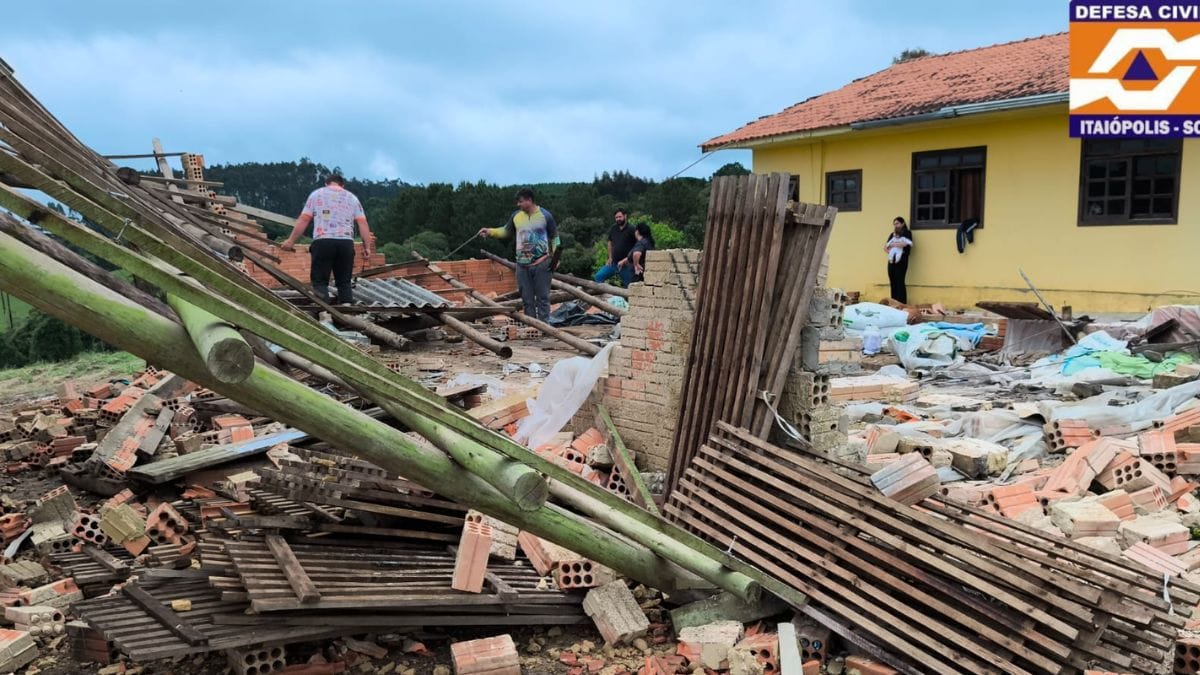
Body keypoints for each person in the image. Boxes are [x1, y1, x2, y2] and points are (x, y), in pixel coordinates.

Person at [280, 174, 373, 305]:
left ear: (326, 184)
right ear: (342, 185)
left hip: (323, 241)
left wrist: (290, 241)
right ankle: (347, 310)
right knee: (344, 281)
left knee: (320, 281)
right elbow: (362, 223)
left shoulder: (316, 195)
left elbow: (304, 219)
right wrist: (367, 247)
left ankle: (323, 310)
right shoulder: (352, 198)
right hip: (345, 243)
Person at [479, 188, 560, 321]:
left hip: (542, 263)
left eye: (520, 201)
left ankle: (545, 328)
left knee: (543, 298)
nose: (518, 204)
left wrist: (556, 259)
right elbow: (505, 231)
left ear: (529, 200)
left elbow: (555, 237)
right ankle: (531, 327)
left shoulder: (545, 215)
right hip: (522, 265)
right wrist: (490, 231)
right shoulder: (516, 216)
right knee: (527, 300)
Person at [593, 208, 637, 286]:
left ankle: (625, 298)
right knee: (598, 277)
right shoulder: (613, 228)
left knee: (629, 286)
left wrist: (627, 259)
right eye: (616, 217)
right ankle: (603, 297)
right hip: (614, 263)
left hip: (626, 265)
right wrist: (610, 257)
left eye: (620, 217)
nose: (618, 219)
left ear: (625, 216)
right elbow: (609, 242)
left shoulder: (632, 229)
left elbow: (637, 246)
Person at [884, 216, 913, 304]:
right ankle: (894, 302)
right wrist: (890, 250)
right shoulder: (892, 234)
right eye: (894, 224)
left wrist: (893, 245)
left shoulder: (907, 233)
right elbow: (885, 247)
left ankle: (902, 303)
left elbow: (904, 244)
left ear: (903, 223)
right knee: (892, 281)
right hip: (891, 261)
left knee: (900, 281)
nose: (895, 225)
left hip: (902, 260)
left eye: (897, 223)